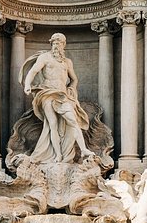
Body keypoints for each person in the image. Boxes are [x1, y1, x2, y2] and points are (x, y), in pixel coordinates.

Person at [20, 33, 94, 164]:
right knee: (52, 124)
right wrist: (27, 84)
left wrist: (72, 88)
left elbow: (74, 79)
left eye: (58, 43)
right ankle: (58, 155)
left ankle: (83, 150)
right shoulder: (45, 57)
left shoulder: (67, 62)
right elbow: (33, 71)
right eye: (54, 43)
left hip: (62, 95)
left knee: (73, 121)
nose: (56, 46)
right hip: (47, 93)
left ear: (63, 45)